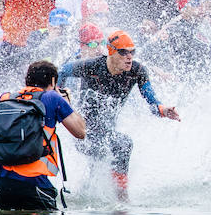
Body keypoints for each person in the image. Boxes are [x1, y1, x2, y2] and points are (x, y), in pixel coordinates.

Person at [59, 30, 181, 199]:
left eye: (132, 52)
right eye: (123, 52)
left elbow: (152, 101)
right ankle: (119, 198)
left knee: (117, 146)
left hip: (107, 132)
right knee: (115, 146)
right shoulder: (92, 66)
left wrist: (163, 109)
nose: (129, 57)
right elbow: (62, 71)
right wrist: (58, 93)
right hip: (83, 133)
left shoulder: (137, 71)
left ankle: (113, 196)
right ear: (110, 51)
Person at [0, 60, 87, 210]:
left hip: (0, 182)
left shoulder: (6, 97)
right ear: (53, 81)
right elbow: (80, 132)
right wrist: (66, 101)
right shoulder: (52, 98)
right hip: (33, 181)